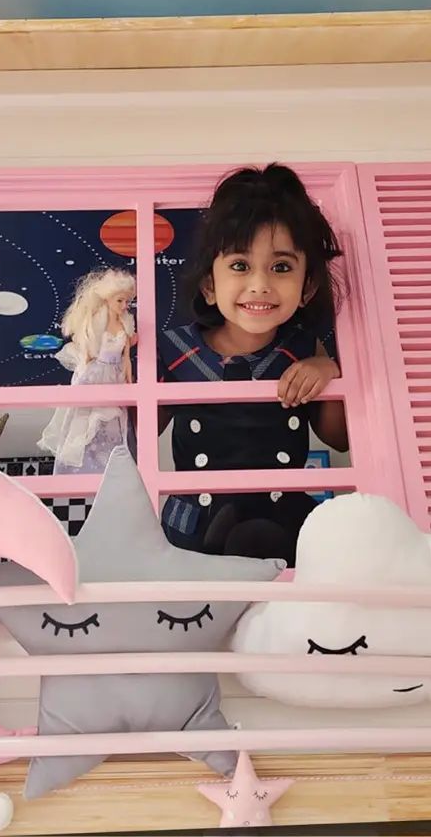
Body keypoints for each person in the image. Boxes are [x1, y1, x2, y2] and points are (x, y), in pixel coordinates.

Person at [158, 164, 350, 566]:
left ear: (306, 287)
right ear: (210, 285)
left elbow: (340, 438)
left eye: (281, 267)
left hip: (281, 527)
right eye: (240, 266)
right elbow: (130, 438)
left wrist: (328, 370)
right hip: (194, 529)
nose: (260, 284)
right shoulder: (174, 350)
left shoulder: (303, 348)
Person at [39, 268, 137, 474]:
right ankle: (84, 463)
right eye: (120, 300)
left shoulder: (125, 322)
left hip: (114, 374)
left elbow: (126, 354)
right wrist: (86, 370)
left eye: (127, 301)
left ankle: (110, 463)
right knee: (86, 416)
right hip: (96, 372)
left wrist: (128, 374)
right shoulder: (97, 322)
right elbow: (88, 350)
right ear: (108, 299)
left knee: (112, 419)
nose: (124, 305)